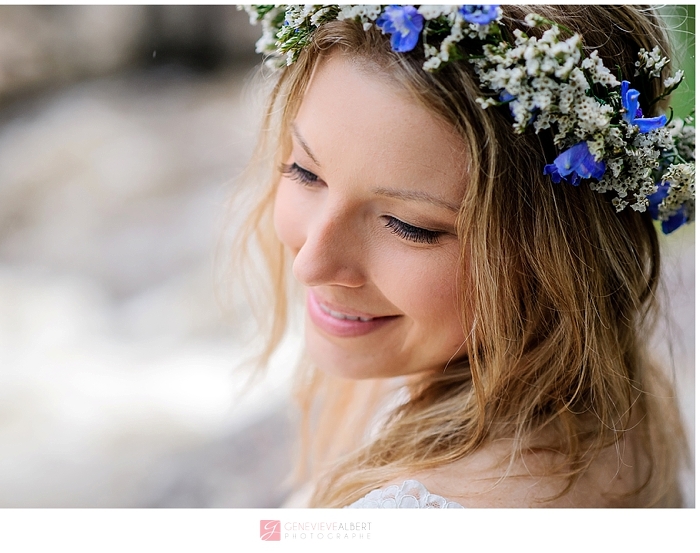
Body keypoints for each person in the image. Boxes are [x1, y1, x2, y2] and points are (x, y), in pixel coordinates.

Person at [235, 4, 694, 507]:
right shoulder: (611, 408)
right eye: (306, 173)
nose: (310, 265)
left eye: (408, 226)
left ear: (556, 254)